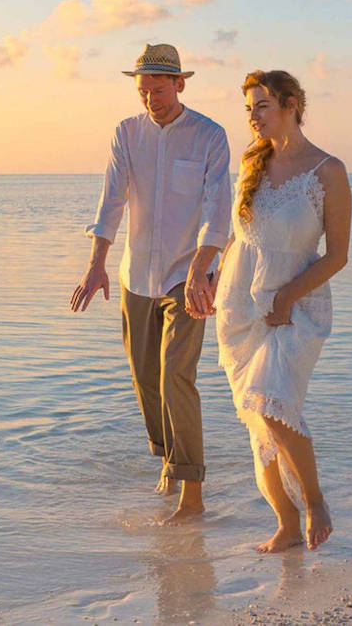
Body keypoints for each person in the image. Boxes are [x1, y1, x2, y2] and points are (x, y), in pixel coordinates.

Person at [70, 44, 232, 524]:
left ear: (180, 83)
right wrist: (96, 262)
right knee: (145, 380)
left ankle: (192, 494)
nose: (151, 99)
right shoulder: (127, 133)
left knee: (174, 376)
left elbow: (217, 207)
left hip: (188, 277)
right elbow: (111, 202)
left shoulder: (210, 136)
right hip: (136, 276)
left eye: (158, 89)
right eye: (143, 90)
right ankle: (168, 459)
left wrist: (205, 266)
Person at [210, 70, 351, 552]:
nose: (252, 117)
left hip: (296, 306)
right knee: (255, 416)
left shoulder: (327, 170)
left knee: (272, 404)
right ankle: (286, 524)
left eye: (261, 106)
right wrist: (207, 277)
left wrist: (288, 296)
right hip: (240, 304)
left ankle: (314, 502)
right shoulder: (253, 163)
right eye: (249, 108)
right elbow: (240, 237)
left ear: (291, 104)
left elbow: (338, 254)